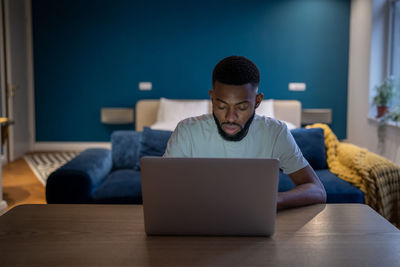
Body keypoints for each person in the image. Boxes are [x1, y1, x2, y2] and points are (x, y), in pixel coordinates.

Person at [164, 55, 326, 210]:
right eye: (222, 106)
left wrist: (273, 201)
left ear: (257, 101)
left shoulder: (275, 132)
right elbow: (163, 190)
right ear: (212, 98)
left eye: (241, 107)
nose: (230, 118)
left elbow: (317, 190)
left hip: (256, 228)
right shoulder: (187, 131)